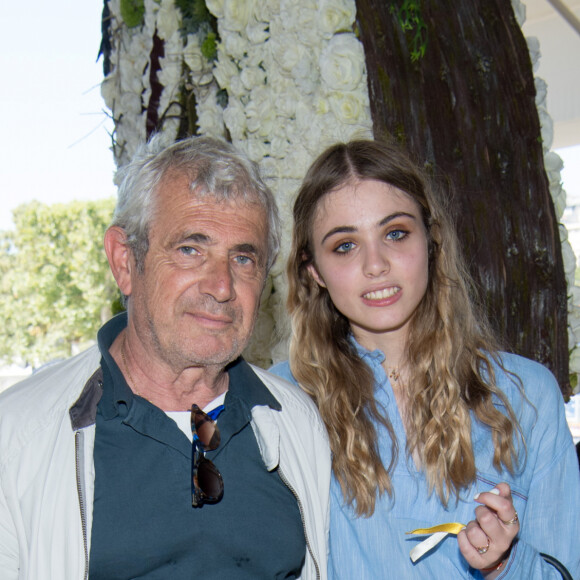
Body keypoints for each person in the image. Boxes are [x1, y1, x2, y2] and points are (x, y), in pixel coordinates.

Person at [0, 135, 330, 580]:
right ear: (124, 261)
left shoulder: (294, 422)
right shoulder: (20, 435)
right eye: (190, 250)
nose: (222, 286)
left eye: (243, 258)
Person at [271, 139, 580, 578]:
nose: (376, 264)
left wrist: (503, 566)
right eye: (345, 245)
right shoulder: (281, 404)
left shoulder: (525, 394)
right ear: (313, 271)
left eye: (395, 233)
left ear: (432, 241)